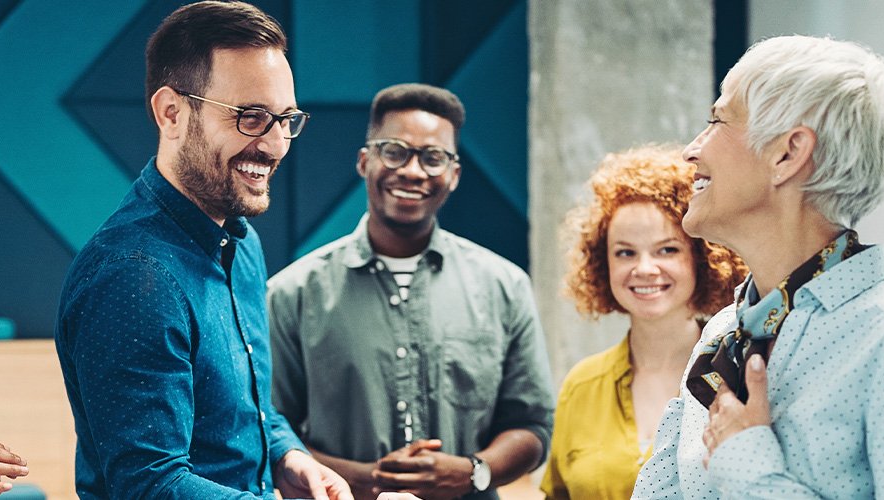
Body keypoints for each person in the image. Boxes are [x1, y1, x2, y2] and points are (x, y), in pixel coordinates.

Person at [635, 35, 884, 499]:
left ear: (787, 153)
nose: (691, 150)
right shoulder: (722, 333)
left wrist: (748, 464)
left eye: (717, 121)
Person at [54, 2, 352, 498]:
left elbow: (243, 408)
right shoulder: (132, 275)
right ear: (171, 112)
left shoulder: (241, 241)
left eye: (286, 118)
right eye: (251, 117)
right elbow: (148, 485)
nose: (276, 144)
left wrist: (288, 456)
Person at [266, 83, 555, 500]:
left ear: (454, 175)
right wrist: (367, 478)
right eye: (394, 151)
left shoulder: (504, 286)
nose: (413, 171)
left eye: (433, 158)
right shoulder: (292, 293)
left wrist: (473, 472)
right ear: (365, 162)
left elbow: (533, 426)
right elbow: (269, 430)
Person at [540, 145, 746, 500]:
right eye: (626, 252)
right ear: (603, 265)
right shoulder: (581, 385)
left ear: (701, 258)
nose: (645, 268)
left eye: (667, 249)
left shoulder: (736, 373)